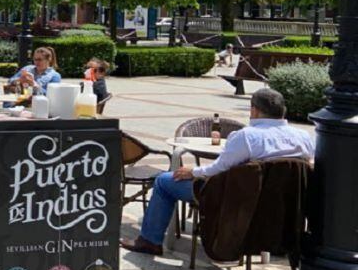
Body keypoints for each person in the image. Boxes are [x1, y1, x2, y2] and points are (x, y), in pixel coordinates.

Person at [120, 88, 315, 256]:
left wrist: (193, 171)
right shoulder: (303, 136)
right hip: (280, 202)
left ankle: (150, 241)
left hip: (236, 198)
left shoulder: (248, 136)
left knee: (163, 181)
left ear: (254, 111)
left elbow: (219, 168)